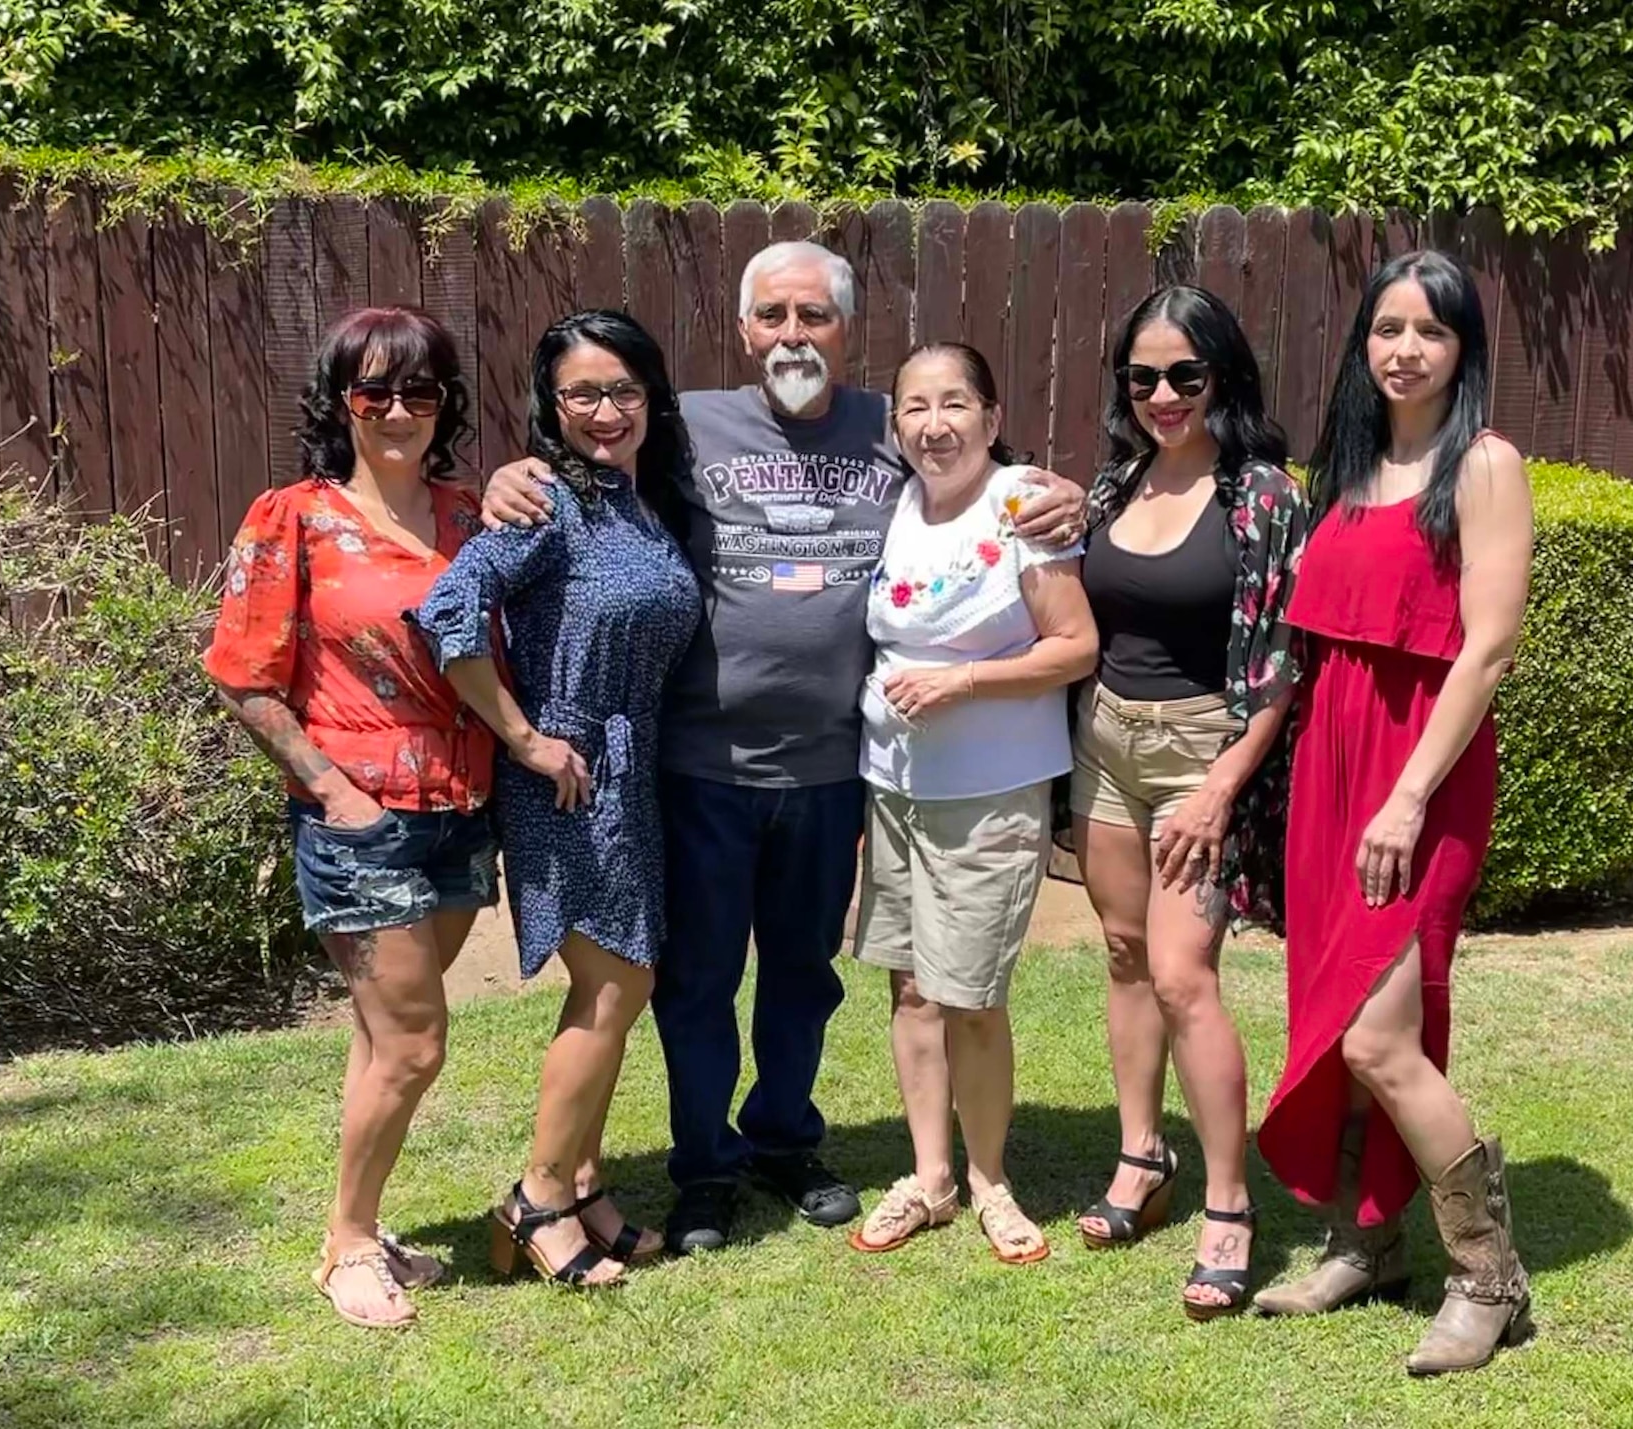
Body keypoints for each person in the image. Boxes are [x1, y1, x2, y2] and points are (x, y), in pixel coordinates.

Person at [477, 241, 1088, 1253]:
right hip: (702, 763)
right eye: (773, 316)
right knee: (699, 979)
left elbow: (995, 482)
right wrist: (515, 469)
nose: (792, 335)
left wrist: (1072, 496)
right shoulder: (686, 426)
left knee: (803, 975)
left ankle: (784, 1138)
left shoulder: (891, 424)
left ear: (847, 330)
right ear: (744, 327)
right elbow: (590, 450)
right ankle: (704, 1167)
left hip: (835, 766)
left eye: (814, 315)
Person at [1251, 250, 1534, 1376]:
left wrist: (1408, 796)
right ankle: (1365, 1243)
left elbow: (1488, 646)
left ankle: (1488, 1278)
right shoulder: (1352, 467)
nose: (1403, 349)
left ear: (1463, 351)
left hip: (1419, 772)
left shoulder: (1482, 465)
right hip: (1331, 766)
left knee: (1378, 1029)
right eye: (1385, 328)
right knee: (1337, 1021)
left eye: (1430, 331)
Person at [204, 306, 496, 1329]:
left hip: (462, 810)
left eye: (422, 391)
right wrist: (332, 789)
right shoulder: (291, 517)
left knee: (381, 1042)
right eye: (376, 390)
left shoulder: (470, 518)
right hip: (359, 818)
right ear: (340, 402)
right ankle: (344, 1245)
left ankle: (365, 1229)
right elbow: (242, 678)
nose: (399, 410)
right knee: (415, 1044)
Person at [412, 311, 699, 1287]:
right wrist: (527, 739)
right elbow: (447, 610)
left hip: (634, 762)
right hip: (568, 778)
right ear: (551, 405)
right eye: (582, 393)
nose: (605, 411)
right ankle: (534, 1200)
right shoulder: (544, 503)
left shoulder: (641, 499)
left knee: (625, 983)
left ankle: (582, 1182)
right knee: (613, 984)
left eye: (623, 390)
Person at [1068, 286, 1307, 1320]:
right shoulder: (1112, 481)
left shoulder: (1260, 495)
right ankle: (1140, 1154)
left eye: (1184, 375)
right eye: (1142, 377)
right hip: (1105, 740)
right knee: (1123, 952)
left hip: (1202, 748)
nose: (1161, 395)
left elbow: (1282, 663)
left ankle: (1226, 1203)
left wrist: (1221, 783)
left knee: (1181, 975)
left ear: (1222, 375)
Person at [845, 343, 1097, 1264]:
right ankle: (931, 1176)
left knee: (971, 994)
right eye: (916, 406)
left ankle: (991, 1179)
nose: (935, 423)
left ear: (992, 419)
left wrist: (965, 683)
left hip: (989, 793)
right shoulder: (899, 503)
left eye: (956, 404)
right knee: (911, 986)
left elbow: (1074, 645)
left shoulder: (1022, 503)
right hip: (897, 788)